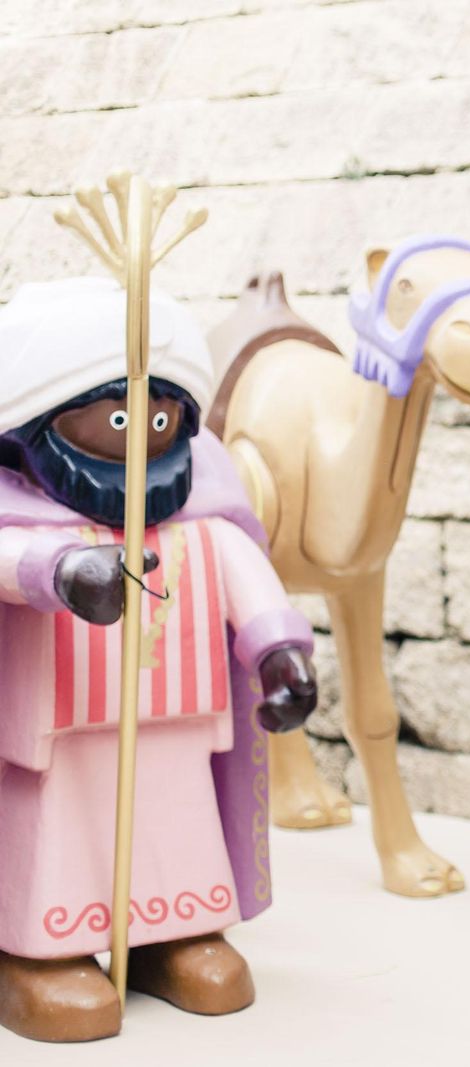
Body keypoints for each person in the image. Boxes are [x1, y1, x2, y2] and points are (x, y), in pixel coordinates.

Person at [0, 278, 317, 1042]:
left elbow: (252, 586)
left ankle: (176, 931)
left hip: (180, 720)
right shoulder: (22, 513)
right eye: (117, 415)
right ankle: (45, 948)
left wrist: (282, 657)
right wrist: (59, 573)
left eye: (161, 413)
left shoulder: (204, 521)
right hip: (60, 731)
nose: (143, 433)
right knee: (61, 830)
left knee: (176, 822)